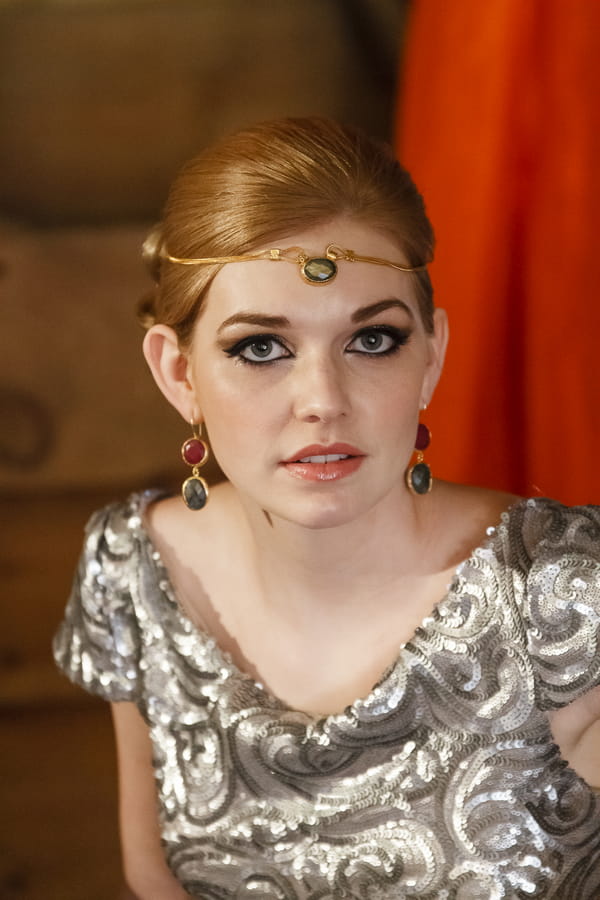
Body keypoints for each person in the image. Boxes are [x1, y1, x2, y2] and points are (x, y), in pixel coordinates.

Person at [53, 117, 600, 899]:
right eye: (261, 348)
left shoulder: (565, 599)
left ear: (431, 357)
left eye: (372, 339)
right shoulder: (133, 570)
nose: (323, 401)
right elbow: (154, 876)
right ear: (178, 374)